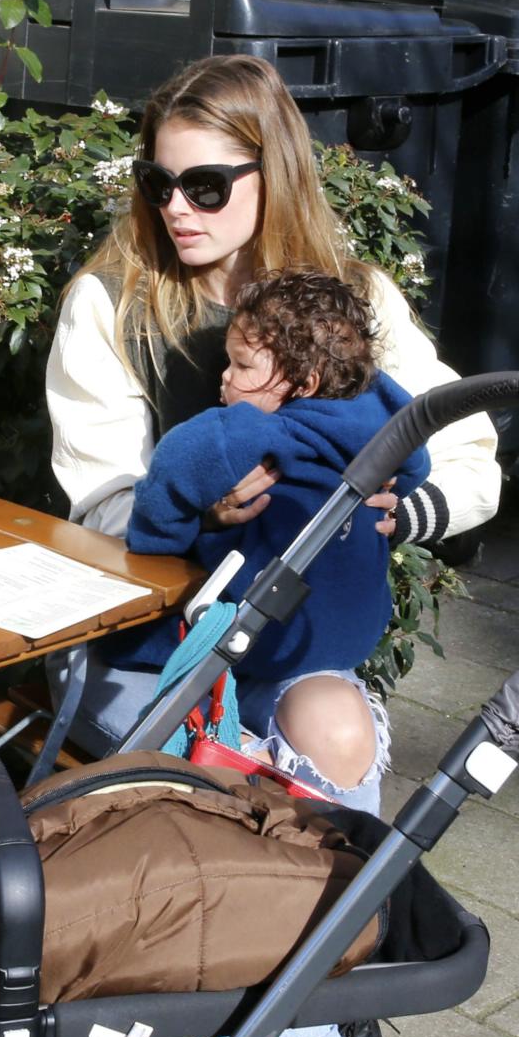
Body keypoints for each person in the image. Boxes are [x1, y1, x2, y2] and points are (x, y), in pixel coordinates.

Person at [45, 55, 501, 1037]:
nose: (174, 207)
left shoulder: (349, 302)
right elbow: (91, 502)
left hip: (298, 634)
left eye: (204, 182)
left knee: (333, 735)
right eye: (157, 179)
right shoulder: (111, 301)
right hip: (166, 637)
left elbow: (462, 444)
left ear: (269, 174)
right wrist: (182, 515)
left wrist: (402, 503)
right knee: (204, 797)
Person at [128, 271, 430, 764]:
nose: (223, 377)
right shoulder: (383, 422)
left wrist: (162, 538)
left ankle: (231, 748)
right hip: (348, 638)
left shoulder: (248, 432)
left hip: (264, 639)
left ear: (304, 383)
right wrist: (394, 491)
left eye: (241, 366)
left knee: (132, 642)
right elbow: (418, 463)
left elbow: (175, 466)